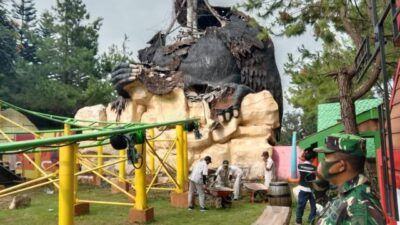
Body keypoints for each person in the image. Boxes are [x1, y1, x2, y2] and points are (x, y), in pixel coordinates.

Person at [314, 133, 385, 225]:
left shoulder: (360, 209)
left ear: (341, 166)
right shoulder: (345, 192)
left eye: (326, 158)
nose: (321, 163)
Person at [295, 148, 317, 225]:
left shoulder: (300, 166)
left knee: (301, 206)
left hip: (303, 189)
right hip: (312, 190)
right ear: (312, 159)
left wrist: (304, 152)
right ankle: (311, 220)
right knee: (314, 206)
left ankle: (298, 221)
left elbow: (300, 157)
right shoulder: (314, 168)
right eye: (314, 159)